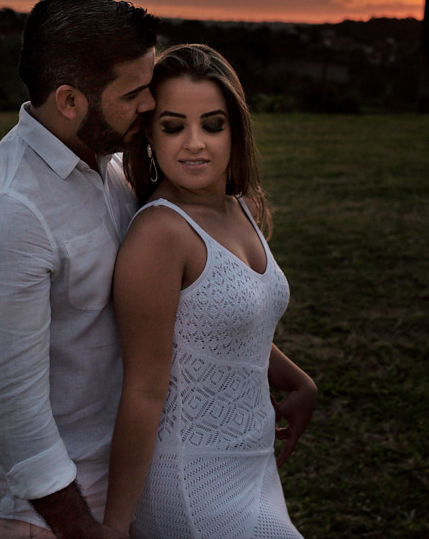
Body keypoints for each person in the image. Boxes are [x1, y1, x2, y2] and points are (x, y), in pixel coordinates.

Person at [0, 0, 160, 539]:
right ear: (68, 101)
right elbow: (17, 417)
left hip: (115, 489)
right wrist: (81, 530)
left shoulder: (105, 164)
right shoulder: (8, 214)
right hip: (41, 517)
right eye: (133, 93)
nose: (150, 105)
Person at [103, 44, 317, 539]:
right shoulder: (161, 234)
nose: (195, 144)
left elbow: (224, 326)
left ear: (235, 131)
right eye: (174, 127)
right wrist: (114, 526)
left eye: (213, 125)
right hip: (193, 479)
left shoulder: (236, 206)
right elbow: (143, 390)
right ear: (150, 136)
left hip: (252, 464)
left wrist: (298, 381)